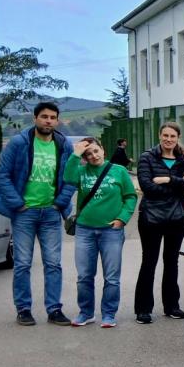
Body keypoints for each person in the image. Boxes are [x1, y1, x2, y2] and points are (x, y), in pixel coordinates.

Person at [0, 101, 75, 326]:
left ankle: (54, 309)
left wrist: (60, 203)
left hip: (51, 213)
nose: (48, 121)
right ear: (35, 119)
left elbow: (71, 176)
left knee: (53, 263)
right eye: (44, 117)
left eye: (52, 117)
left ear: (57, 121)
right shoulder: (19, 143)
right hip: (24, 213)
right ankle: (23, 309)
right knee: (22, 263)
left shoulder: (63, 144)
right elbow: (1, 175)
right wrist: (18, 204)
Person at [63, 137, 137, 328]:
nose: (93, 156)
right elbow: (68, 178)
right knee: (84, 276)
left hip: (111, 231)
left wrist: (122, 218)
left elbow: (130, 196)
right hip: (85, 230)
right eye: (88, 154)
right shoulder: (81, 171)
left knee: (111, 276)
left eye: (96, 151)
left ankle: (109, 313)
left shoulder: (118, 171)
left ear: (103, 150)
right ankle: (86, 313)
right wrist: (75, 154)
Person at [133, 122, 184, 323]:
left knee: (171, 262)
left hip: (177, 218)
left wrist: (168, 180)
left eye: (173, 136)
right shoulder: (147, 157)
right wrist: (179, 183)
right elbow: (147, 187)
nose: (169, 139)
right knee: (149, 262)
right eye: (165, 135)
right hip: (151, 217)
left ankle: (171, 306)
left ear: (178, 138)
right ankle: (143, 309)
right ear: (159, 136)